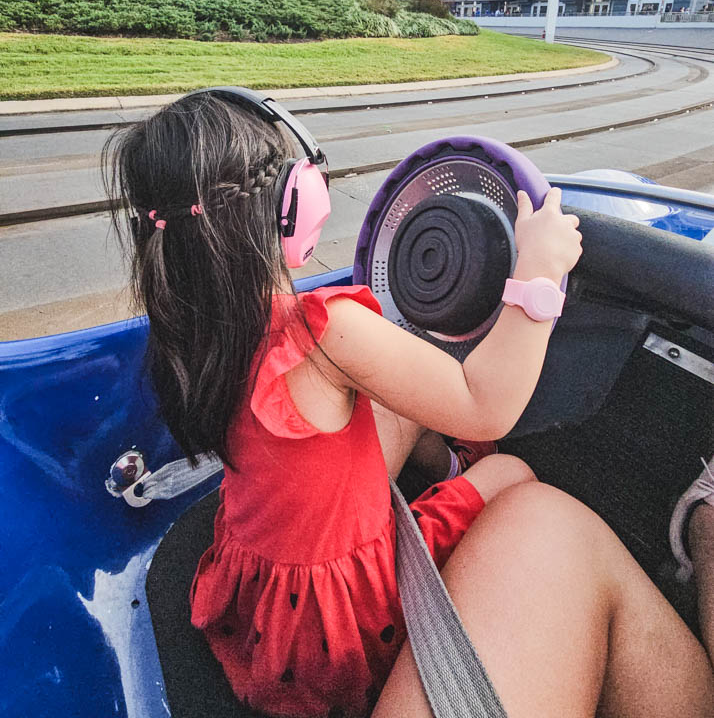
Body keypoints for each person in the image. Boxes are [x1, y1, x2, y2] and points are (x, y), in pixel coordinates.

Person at [104, 89, 714, 718]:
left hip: (265, 609)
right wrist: (535, 273)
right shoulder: (325, 331)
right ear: (294, 202)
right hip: (336, 631)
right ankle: (459, 480)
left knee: (403, 405)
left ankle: (446, 473)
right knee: (512, 470)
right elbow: (486, 406)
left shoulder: (195, 324)